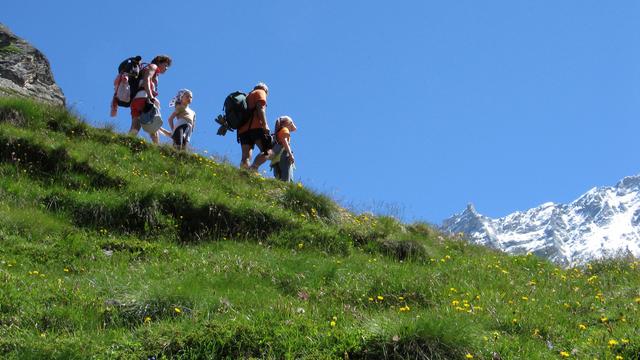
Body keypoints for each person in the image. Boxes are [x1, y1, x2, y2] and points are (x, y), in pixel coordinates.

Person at [128, 55, 172, 144]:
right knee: (153, 126)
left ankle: (125, 142)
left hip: (135, 100)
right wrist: (151, 96)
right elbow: (147, 79)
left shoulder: (145, 69)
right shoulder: (153, 66)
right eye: (165, 65)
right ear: (159, 62)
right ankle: (156, 150)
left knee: (135, 126)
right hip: (144, 99)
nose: (167, 68)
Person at [237, 82, 272, 171]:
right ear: (266, 90)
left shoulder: (247, 96)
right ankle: (253, 169)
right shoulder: (261, 92)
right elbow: (260, 108)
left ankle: (243, 175)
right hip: (255, 128)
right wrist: (265, 125)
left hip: (242, 130)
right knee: (268, 151)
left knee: (245, 157)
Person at [270, 116, 297, 182]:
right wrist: (290, 154)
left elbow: (294, 129)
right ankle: (285, 191)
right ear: (287, 123)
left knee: (278, 180)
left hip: (275, 159)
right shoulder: (285, 129)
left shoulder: (277, 133)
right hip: (284, 156)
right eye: (291, 122)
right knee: (286, 179)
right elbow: (285, 142)